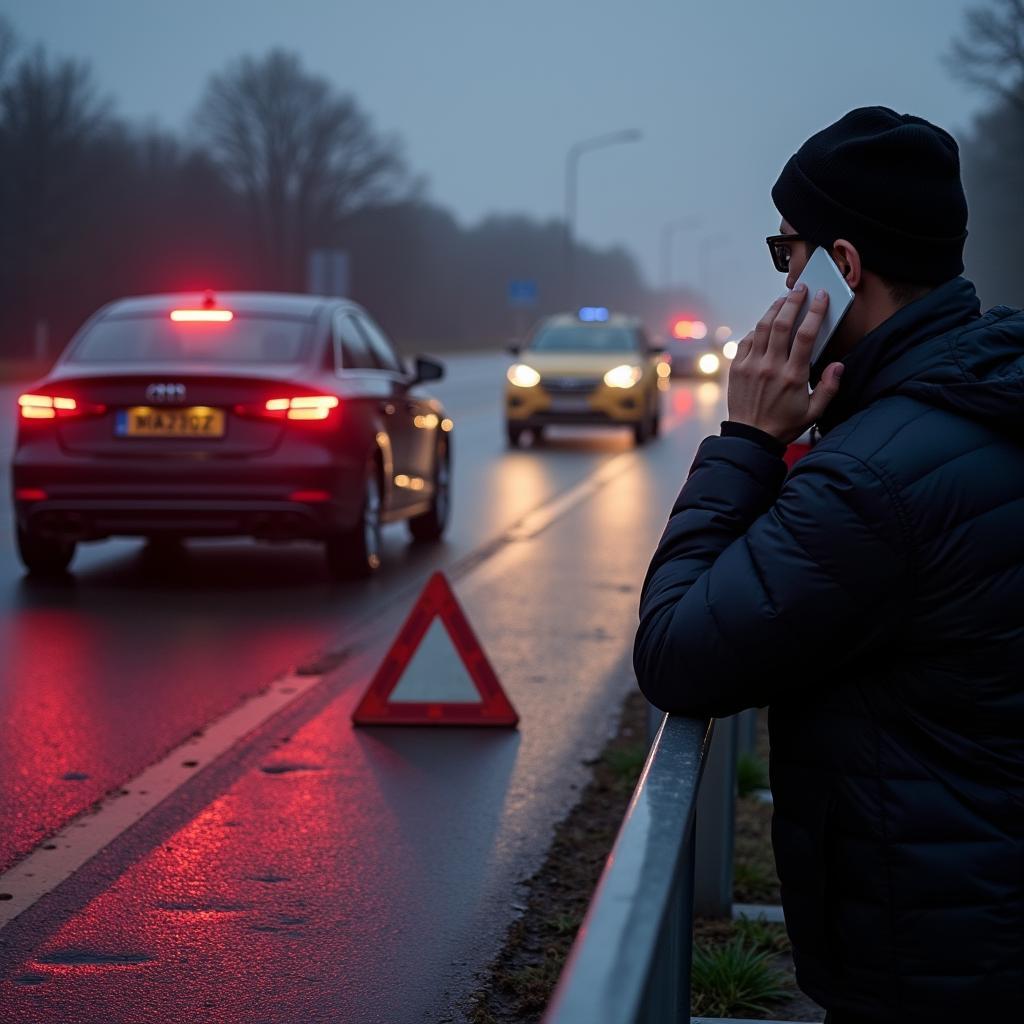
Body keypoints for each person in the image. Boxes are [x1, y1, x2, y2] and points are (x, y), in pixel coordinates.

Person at [633, 106, 1024, 1023]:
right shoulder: (986, 390)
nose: (786, 280)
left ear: (844, 268)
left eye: (789, 254)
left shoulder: (875, 476)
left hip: (937, 959)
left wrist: (745, 442)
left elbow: (678, 650)